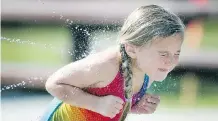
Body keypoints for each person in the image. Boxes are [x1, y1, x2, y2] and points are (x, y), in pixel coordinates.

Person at [41, 5, 185, 121]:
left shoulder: (149, 69)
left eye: (176, 53)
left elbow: (112, 103)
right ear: (132, 50)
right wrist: (96, 104)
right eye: (163, 54)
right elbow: (54, 84)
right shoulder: (105, 66)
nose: (171, 61)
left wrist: (133, 106)